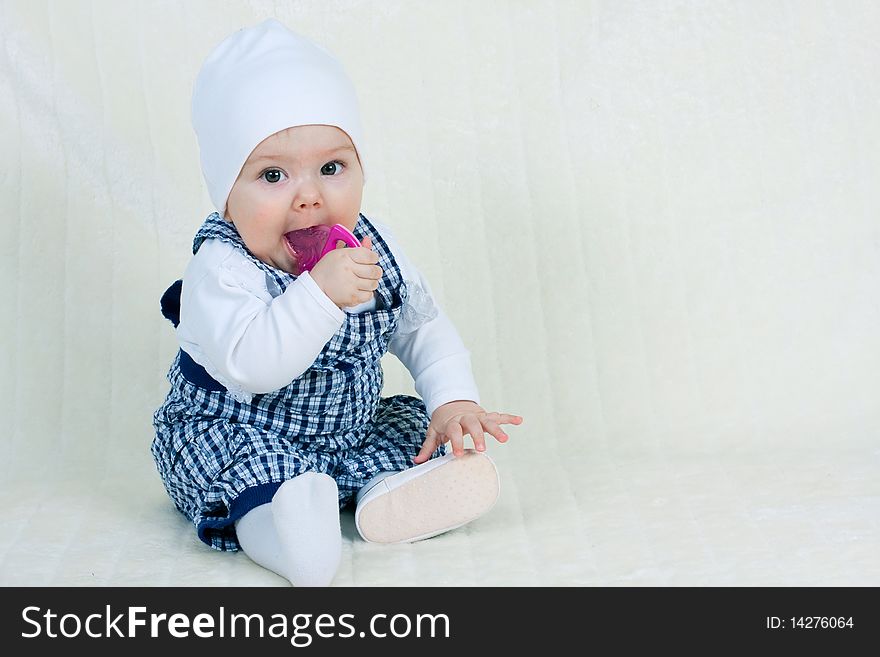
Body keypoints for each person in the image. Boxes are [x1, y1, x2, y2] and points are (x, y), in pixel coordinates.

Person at [151, 18, 522, 587]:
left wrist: (452, 400)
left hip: (348, 430)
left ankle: (388, 498)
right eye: (272, 175)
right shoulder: (222, 269)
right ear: (226, 196)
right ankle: (290, 537)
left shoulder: (373, 247)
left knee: (410, 426)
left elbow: (422, 328)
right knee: (250, 474)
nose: (310, 197)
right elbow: (256, 366)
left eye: (332, 168)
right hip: (240, 428)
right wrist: (320, 294)